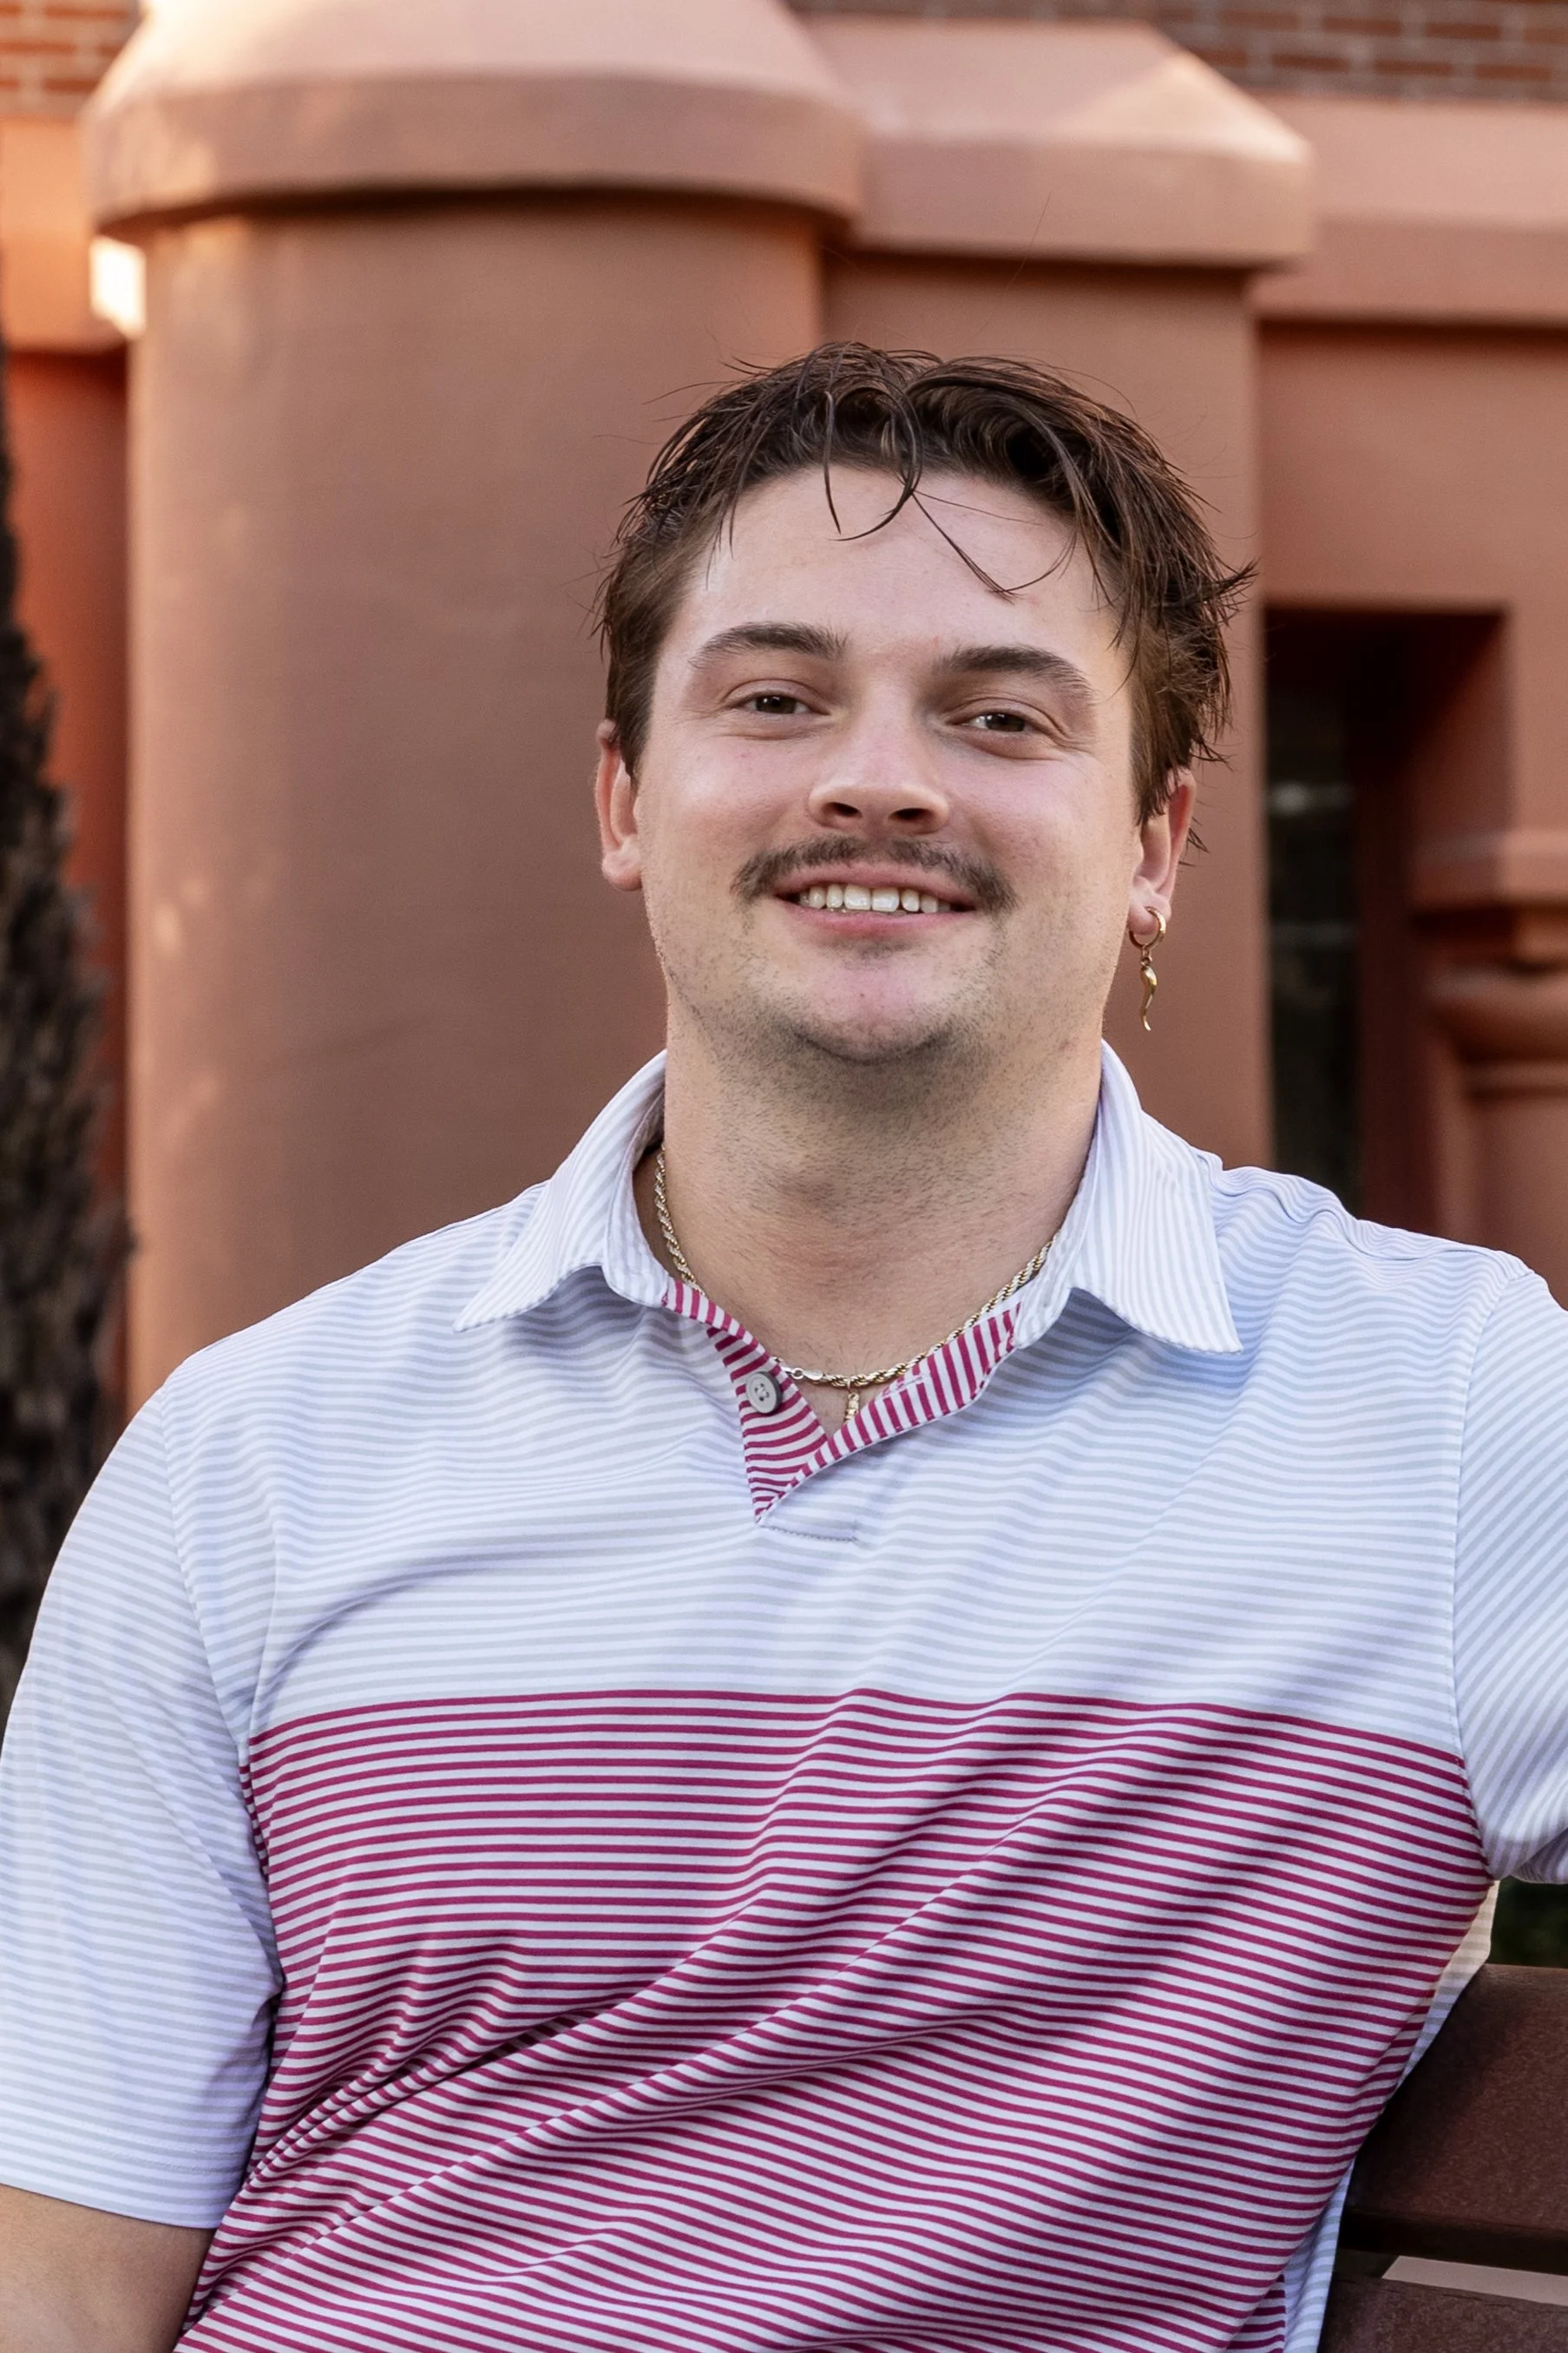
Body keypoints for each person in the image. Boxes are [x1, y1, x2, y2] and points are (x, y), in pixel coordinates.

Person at [0, 344, 1564, 2353]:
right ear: (625, 800)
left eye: (1000, 715)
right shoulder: (260, 1449)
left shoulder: (1432, 1417)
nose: (879, 777)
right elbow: (59, 2266)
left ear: (1160, 840)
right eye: (776, 697)